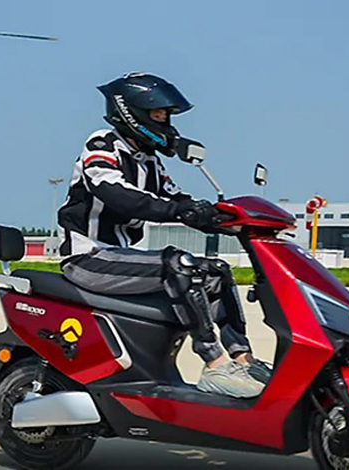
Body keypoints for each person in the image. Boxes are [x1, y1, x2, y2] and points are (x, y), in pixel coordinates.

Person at [57, 73, 271, 399]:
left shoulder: (150, 161)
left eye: (166, 115)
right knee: (179, 265)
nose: (166, 123)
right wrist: (178, 210)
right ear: (132, 113)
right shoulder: (102, 145)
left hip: (120, 257)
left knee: (216, 272)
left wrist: (225, 218)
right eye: (158, 114)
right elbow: (118, 194)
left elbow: (176, 198)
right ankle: (214, 364)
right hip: (88, 257)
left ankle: (243, 360)